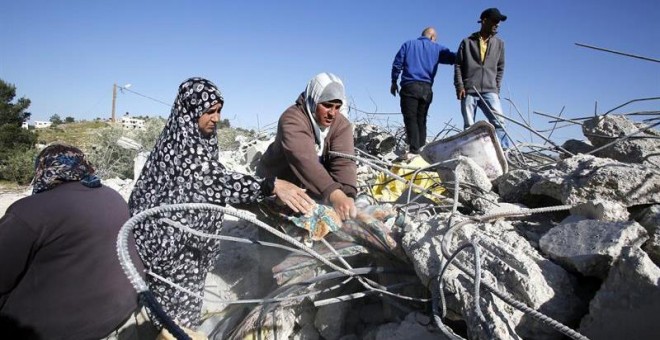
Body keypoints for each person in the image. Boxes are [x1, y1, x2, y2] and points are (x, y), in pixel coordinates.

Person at [128, 77, 314, 333]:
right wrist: (270, 185)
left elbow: (212, 185)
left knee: (187, 311)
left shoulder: (202, 140)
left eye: (218, 111)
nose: (216, 118)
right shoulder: (182, 145)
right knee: (171, 320)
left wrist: (261, 201)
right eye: (209, 111)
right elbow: (216, 180)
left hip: (191, 245)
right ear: (189, 111)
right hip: (170, 247)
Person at [0, 143, 147, 339]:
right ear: (84, 166)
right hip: (120, 313)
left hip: (60, 329)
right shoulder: (112, 196)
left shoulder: (28, 211)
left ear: (42, 170)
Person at [256, 72, 358, 221]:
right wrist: (335, 194)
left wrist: (347, 196)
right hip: (277, 182)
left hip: (309, 184)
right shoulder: (292, 119)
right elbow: (304, 160)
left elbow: (343, 161)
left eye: (337, 107)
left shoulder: (340, 125)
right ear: (313, 100)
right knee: (278, 225)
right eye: (327, 105)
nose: (332, 113)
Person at [391, 27, 456, 158]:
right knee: (421, 120)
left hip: (410, 86)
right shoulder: (437, 48)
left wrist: (394, 81)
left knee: (411, 119)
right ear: (432, 37)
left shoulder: (408, 44)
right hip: (426, 89)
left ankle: (414, 151)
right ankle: (421, 152)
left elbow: (397, 64)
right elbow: (453, 58)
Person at [454, 7, 511, 148]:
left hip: (490, 90)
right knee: (469, 126)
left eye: (499, 22)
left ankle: (505, 152)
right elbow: (458, 66)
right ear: (484, 21)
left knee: (499, 122)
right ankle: (471, 151)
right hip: (469, 89)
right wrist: (460, 86)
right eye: (494, 21)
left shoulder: (500, 44)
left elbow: (500, 67)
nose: (497, 24)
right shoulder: (467, 42)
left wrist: (496, 88)